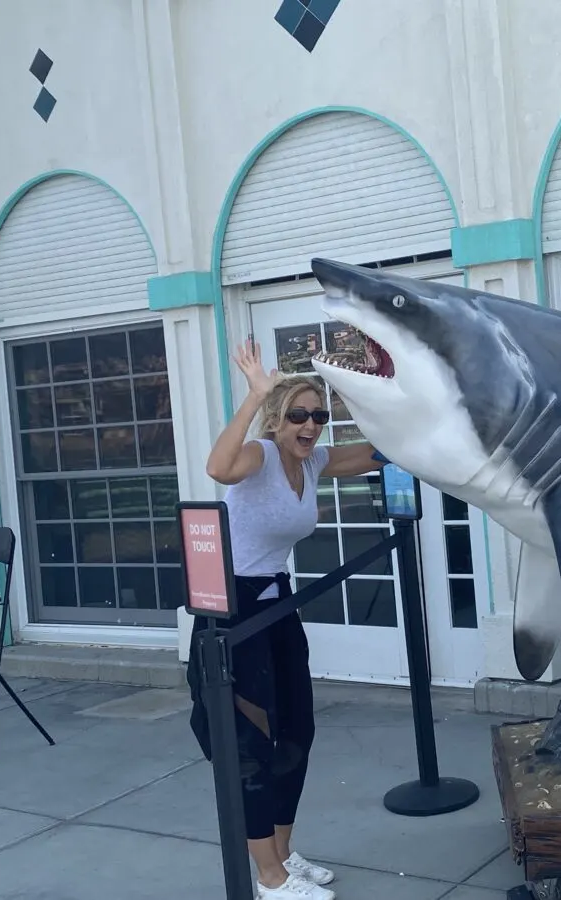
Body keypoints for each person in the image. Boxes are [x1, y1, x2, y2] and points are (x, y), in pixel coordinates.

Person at [191, 339, 387, 900]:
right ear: (278, 420)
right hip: (231, 613)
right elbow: (218, 467)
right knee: (250, 744)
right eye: (298, 414)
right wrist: (254, 396)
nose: (311, 425)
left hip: (276, 605)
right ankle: (268, 880)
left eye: (318, 415)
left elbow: (378, 454)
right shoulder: (258, 455)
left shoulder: (314, 460)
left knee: (296, 729)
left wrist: (386, 393)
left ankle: (282, 852)